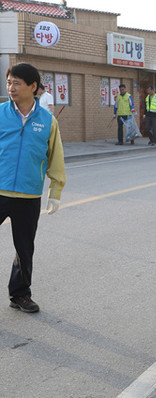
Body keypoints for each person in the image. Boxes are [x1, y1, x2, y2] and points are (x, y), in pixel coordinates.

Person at [1, 63, 66, 313]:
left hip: (28, 195)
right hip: (0, 190)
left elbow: (55, 158)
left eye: (17, 83)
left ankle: (20, 294)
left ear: (33, 87)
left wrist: (56, 192)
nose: (11, 87)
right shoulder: (0, 114)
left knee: (24, 248)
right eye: (9, 82)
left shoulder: (47, 121)